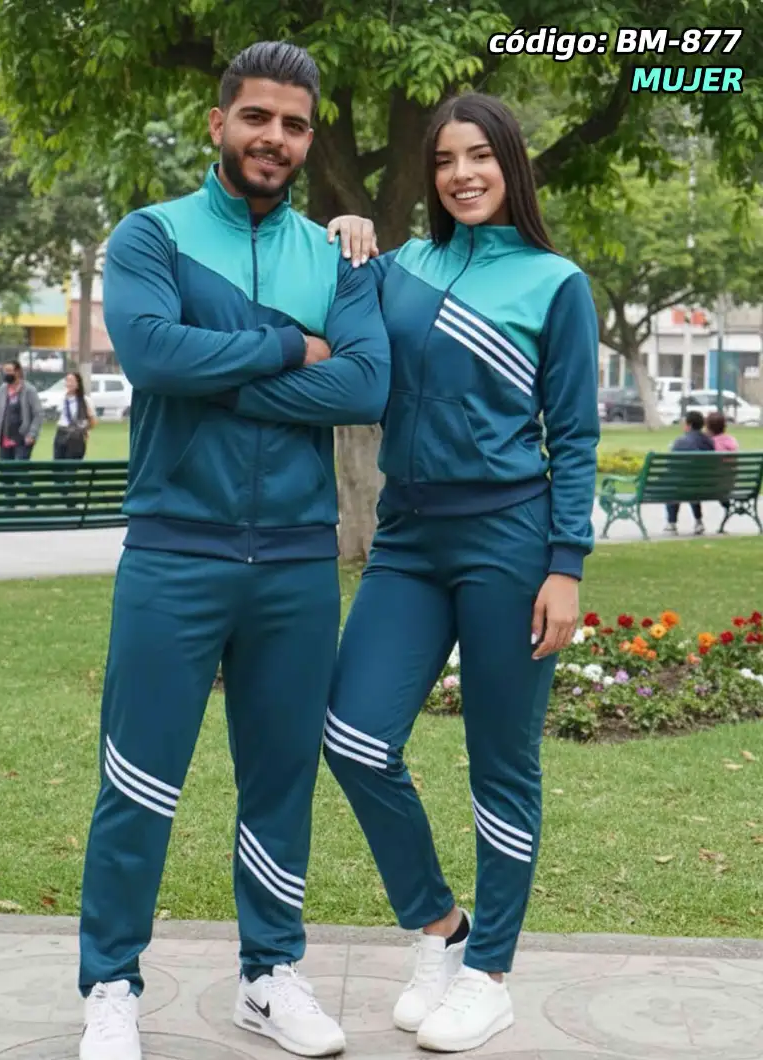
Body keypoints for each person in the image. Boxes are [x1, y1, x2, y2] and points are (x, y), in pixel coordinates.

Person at [77, 41, 390, 1060]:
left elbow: (364, 385)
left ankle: (270, 975)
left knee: (280, 780)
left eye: (294, 125)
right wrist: (288, 345)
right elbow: (151, 353)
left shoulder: (337, 256)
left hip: (296, 559)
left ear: (308, 139)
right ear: (219, 123)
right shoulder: (152, 235)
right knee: (137, 778)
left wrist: (218, 374)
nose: (275, 138)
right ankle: (111, 986)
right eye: (257, 117)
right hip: (176, 548)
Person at [321, 92, 600, 1054]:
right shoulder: (400, 269)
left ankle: (490, 977)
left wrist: (565, 567)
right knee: (353, 738)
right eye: (444, 160)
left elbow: (575, 435)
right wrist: (346, 234)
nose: (460, 174)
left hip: (509, 542)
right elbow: (333, 321)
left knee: (501, 767)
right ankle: (442, 929)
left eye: (479, 156)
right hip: (406, 539)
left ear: (509, 164)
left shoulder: (556, 284)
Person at [665, 409, 714, 535]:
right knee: (691, 484)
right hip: (706, 485)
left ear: (689, 425)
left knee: (673, 484)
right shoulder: (709, 441)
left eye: (684, 423)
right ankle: (698, 521)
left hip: (684, 484)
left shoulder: (681, 441)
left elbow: (672, 465)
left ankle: (671, 523)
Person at [0, 359, 43, 460]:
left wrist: (32, 434)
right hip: (5, 439)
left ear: (17, 372)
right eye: (5, 371)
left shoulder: (29, 390)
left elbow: (38, 414)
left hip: (23, 439)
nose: (6, 374)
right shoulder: (2, 390)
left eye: (9, 371)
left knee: (18, 468)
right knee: (4, 468)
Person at [53, 371, 97, 459]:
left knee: (71, 465)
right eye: (67, 381)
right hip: (61, 434)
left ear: (78, 384)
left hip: (76, 437)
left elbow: (93, 421)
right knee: (58, 464)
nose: (69, 384)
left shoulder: (85, 400)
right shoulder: (62, 399)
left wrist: (84, 430)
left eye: (72, 381)